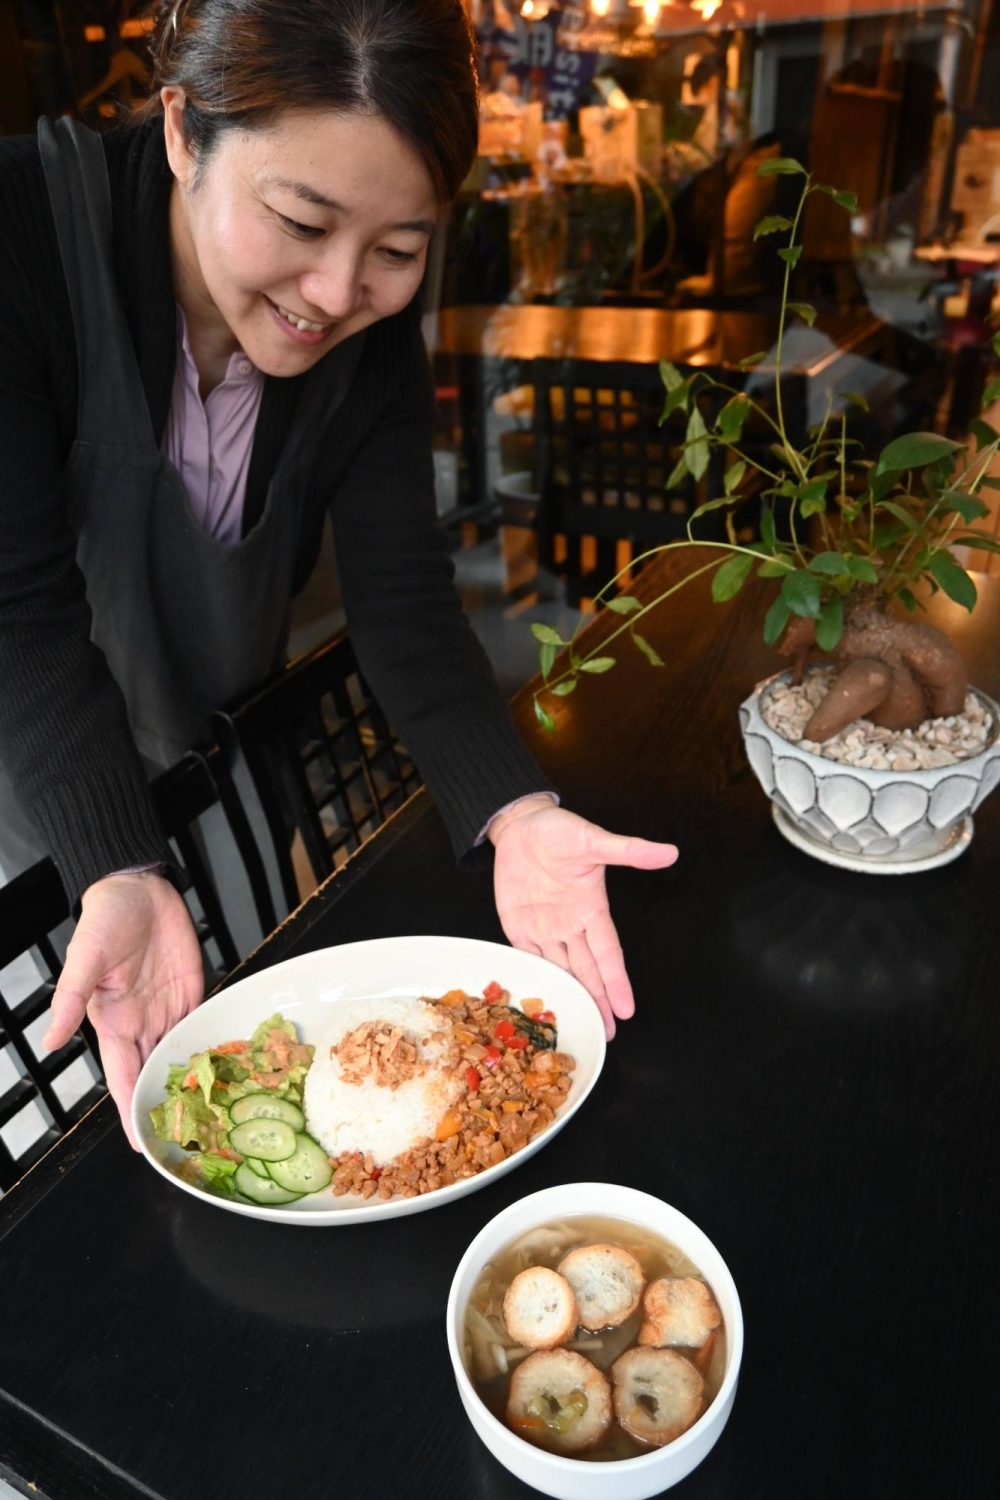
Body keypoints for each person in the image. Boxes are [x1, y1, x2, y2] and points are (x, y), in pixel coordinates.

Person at [0, 0, 678, 1147]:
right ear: (180, 129)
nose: (333, 294)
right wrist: (115, 861)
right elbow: (16, 609)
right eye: (299, 220)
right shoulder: (19, 236)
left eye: (396, 251)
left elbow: (403, 598)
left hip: (212, 777)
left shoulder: (361, 335)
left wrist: (515, 808)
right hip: (32, 809)